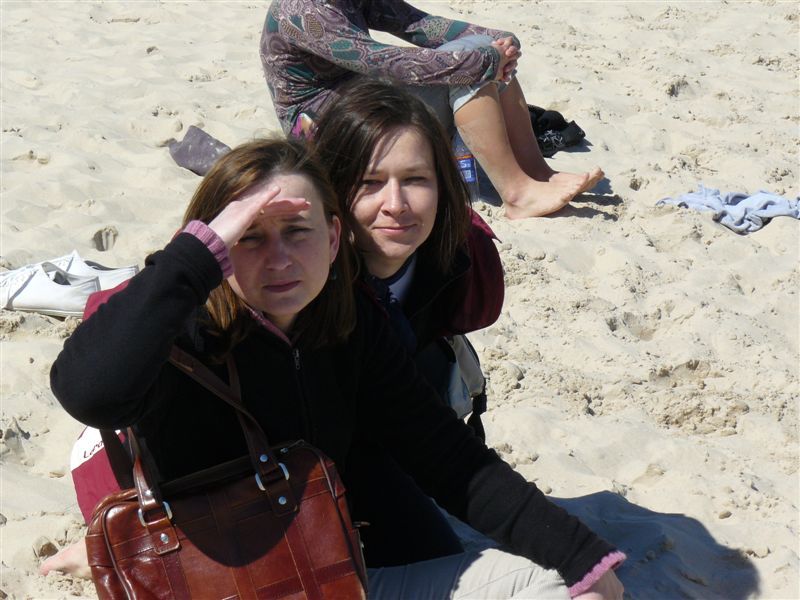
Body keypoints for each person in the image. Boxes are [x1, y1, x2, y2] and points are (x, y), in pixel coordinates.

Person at [50, 138, 624, 597]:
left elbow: (448, 457)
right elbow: (89, 393)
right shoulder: (182, 335)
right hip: (214, 582)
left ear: (332, 238)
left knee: (560, 584)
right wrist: (191, 259)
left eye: (296, 232)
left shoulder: (347, 323)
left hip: (327, 573)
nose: (279, 260)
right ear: (215, 250)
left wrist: (583, 557)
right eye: (249, 238)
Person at [313, 79, 505, 566]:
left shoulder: (456, 256)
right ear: (332, 188)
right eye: (369, 182)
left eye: (416, 179)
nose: (396, 204)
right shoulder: (299, 272)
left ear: (443, 185)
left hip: (389, 431)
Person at [260, 0, 604, 219]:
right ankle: (516, 194)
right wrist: (482, 59)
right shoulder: (303, 10)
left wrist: (498, 40)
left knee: (481, 54)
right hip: (325, 137)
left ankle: (538, 174)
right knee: (473, 66)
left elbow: (418, 25)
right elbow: (380, 61)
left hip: (356, 104)